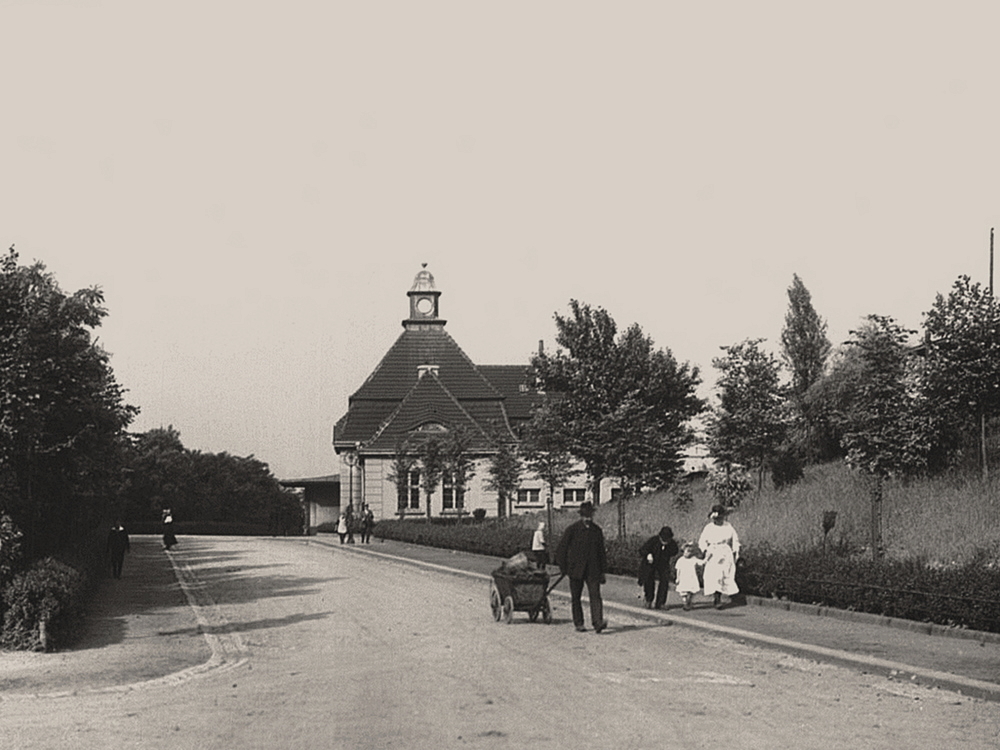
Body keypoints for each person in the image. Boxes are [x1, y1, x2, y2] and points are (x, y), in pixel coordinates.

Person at [554, 501, 608, 633]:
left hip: (593, 570)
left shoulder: (597, 531)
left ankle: (598, 623)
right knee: (576, 597)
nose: (588, 519)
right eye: (585, 516)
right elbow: (562, 549)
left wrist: (603, 571)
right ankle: (579, 623)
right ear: (581, 516)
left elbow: (601, 552)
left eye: (590, 516)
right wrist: (564, 567)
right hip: (575, 570)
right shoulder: (572, 530)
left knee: (595, 596)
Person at [698, 503, 741, 609]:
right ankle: (716, 598)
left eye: (720, 518)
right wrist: (705, 550)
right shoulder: (708, 528)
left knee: (724, 575)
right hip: (713, 553)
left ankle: (719, 597)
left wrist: (736, 550)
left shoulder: (728, 526)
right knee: (714, 576)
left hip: (725, 553)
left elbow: (735, 539)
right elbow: (702, 541)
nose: (719, 520)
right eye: (717, 518)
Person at [637, 525, 679, 609]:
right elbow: (642, 550)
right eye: (663, 539)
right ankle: (648, 599)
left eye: (667, 540)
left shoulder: (672, 544)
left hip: (663, 563)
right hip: (650, 562)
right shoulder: (653, 540)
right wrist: (648, 554)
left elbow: (675, 551)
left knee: (664, 580)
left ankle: (660, 603)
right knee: (649, 580)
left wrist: (667, 554)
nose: (665, 542)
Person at [675, 542, 705, 611]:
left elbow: (701, 562)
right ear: (683, 552)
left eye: (690, 551)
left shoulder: (693, 559)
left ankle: (688, 602)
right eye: (687, 551)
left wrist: (707, 558)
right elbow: (678, 570)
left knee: (691, 591)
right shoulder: (680, 560)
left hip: (691, 577)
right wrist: (678, 578)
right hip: (683, 578)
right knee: (683, 592)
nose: (689, 553)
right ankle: (685, 602)